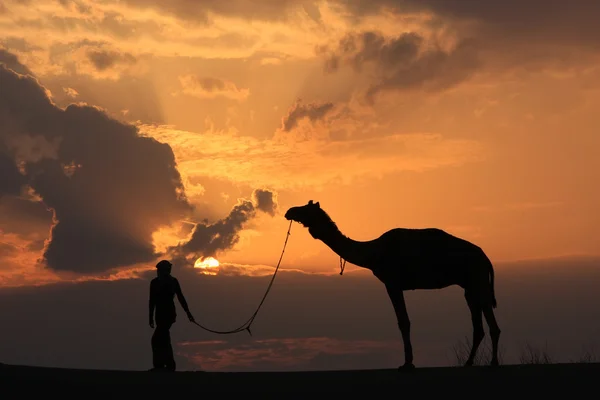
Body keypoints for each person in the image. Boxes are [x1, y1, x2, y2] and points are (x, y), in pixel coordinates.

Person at [148, 259, 195, 372]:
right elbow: (152, 301)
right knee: (163, 338)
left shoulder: (172, 282)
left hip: (168, 314)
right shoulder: (154, 282)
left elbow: (180, 297)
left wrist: (188, 313)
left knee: (157, 339)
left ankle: (163, 365)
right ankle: (166, 365)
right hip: (159, 315)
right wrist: (150, 317)